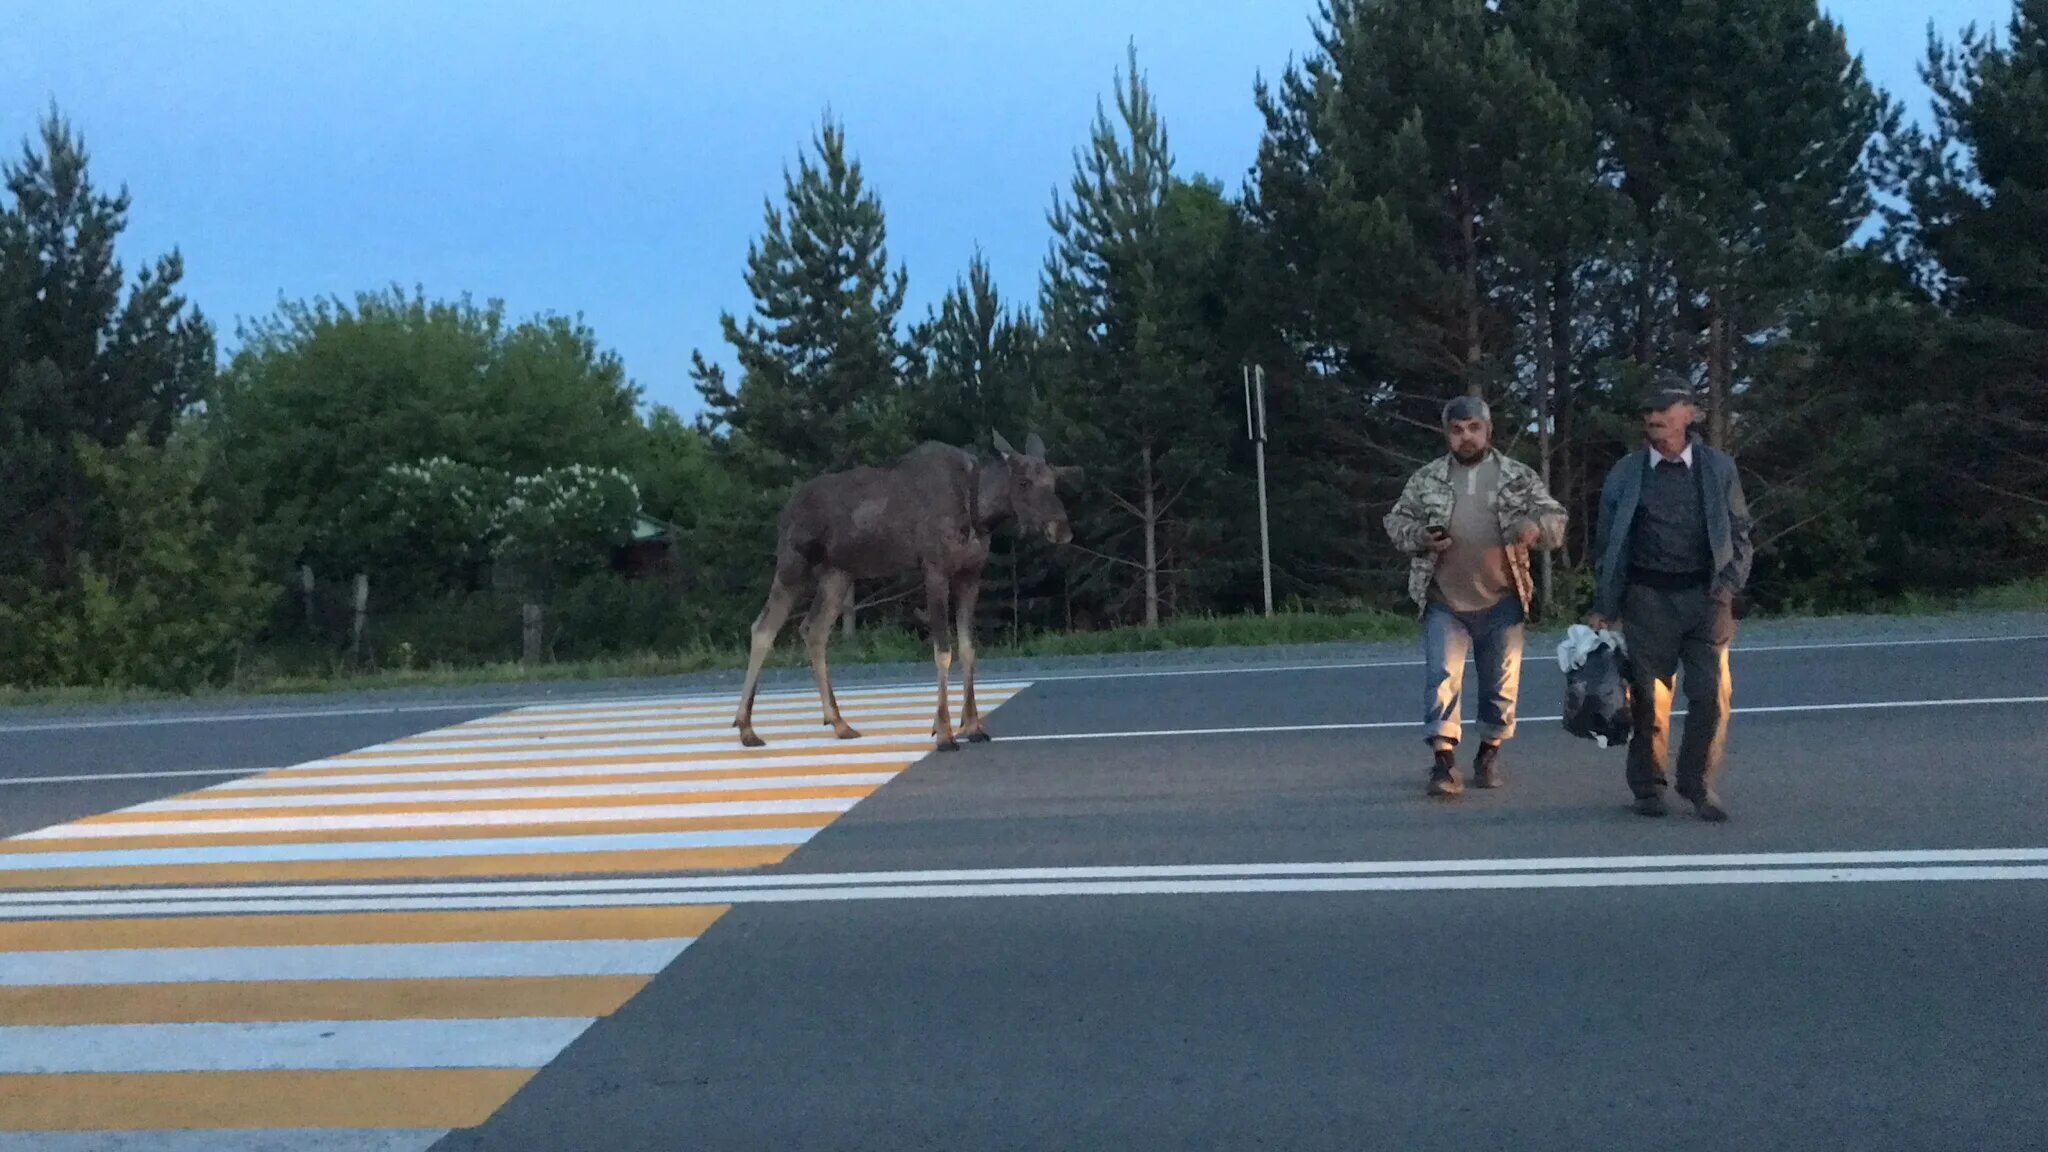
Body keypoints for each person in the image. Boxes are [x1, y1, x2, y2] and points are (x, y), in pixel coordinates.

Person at [1586, 382, 1754, 821]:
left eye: (1664, 409)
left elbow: (1740, 532)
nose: (1654, 416)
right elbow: (1606, 542)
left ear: (1689, 415)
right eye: (1649, 410)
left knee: (1711, 696)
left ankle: (1698, 785)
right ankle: (1647, 788)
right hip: (1646, 599)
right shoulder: (1627, 471)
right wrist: (1605, 604)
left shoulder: (1718, 468)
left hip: (1707, 598)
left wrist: (1729, 584)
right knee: (1646, 698)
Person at [1386, 396, 1568, 797]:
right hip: (1444, 599)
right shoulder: (1427, 479)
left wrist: (1535, 529)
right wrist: (1420, 537)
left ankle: (1489, 754)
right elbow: (1396, 522)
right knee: (1441, 678)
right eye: (1457, 429)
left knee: (1501, 685)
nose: (1465, 437)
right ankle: (1443, 764)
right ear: (1446, 433)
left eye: (1474, 428)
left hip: (1503, 598)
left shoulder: (1517, 476)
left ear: (1488, 430)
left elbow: (1556, 519)